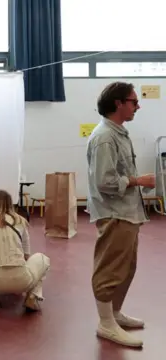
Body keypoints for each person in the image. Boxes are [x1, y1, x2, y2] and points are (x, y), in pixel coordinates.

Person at [87, 81, 155, 348]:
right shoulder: (105, 137)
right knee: (111, 268)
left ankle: (114, 314)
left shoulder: (118, 133)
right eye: (134, 101)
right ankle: (106, 324)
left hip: (127, 212)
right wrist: (138, 181)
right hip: (115, 213)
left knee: (127, 266)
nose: (138, 106)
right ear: (118, 103)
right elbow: (105, 181)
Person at [0, 189, 50, 311]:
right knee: (43, 259)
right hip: (21, 280)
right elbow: (26, 254)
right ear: (10, 203)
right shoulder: (20, 220)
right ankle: (32, 297)